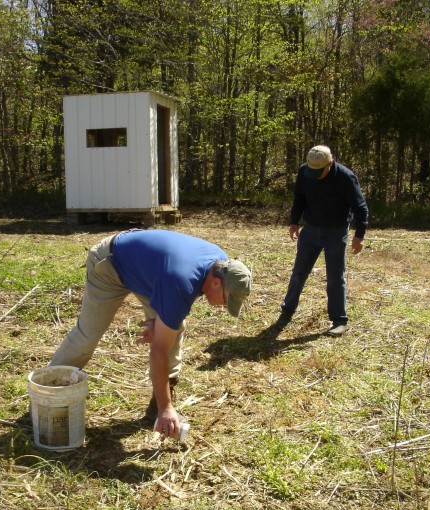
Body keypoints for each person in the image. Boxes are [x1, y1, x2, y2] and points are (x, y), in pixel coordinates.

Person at [49, 228, 252, 439]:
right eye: (227, 300)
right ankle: (50, 390)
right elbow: (158, 351)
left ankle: (160, 401)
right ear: (217, 283)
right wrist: (167, 408)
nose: (223, 307)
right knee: (87, 336)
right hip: (110, 263)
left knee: (174, 327)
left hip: (148, 271)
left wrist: (162, 319)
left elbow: (182, 291)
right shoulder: (181, 280)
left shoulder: (221, 265)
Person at [275, 145, 368, 336]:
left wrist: (359, 236)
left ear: (329, 164)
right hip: (310, 230)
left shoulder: (345, 177)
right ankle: (287, 311)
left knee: (335, 277)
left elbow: (360, 207)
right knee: (299, 272)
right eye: (311, 170)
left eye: (318, 171)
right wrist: (294, 222)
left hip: (336, 232)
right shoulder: (304, 172)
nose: (313, 174)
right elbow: (299, 197)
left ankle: (339, 320)